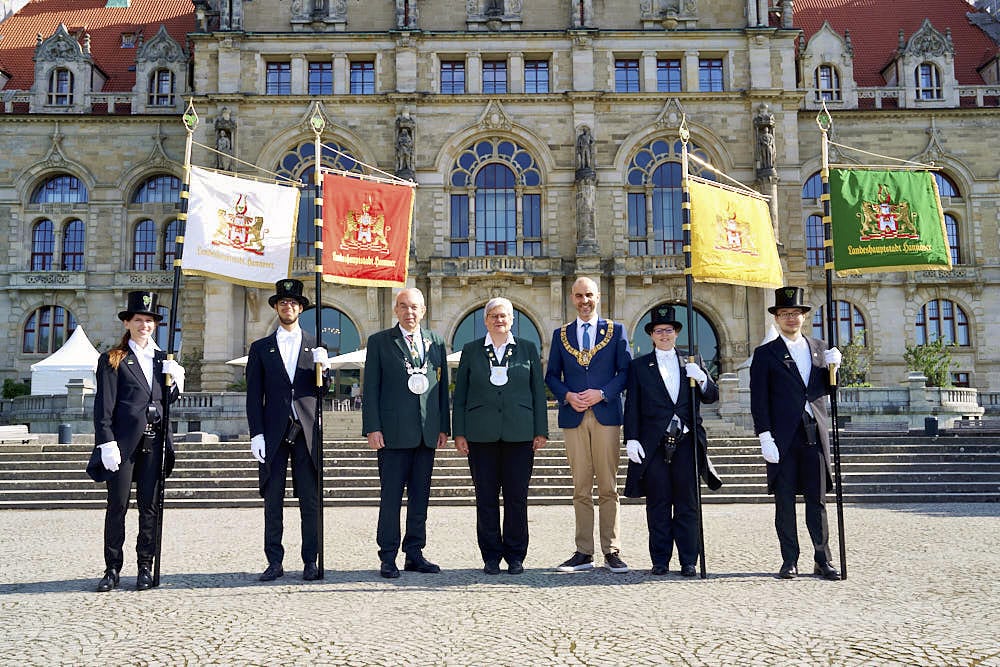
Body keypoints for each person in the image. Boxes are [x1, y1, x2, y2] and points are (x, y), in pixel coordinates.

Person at [89, 291, 184, 592]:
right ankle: (112, 568)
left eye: (150, 320)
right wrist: (106, 442)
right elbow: (103, 405)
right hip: (123, 444)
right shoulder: (113, 359)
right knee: (117, 506)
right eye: (139, 319)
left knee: (150, 507)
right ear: (128, 323)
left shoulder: (163, 360)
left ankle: (145, 565)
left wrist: (175, 384)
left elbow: (165, 404)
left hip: (155, 443)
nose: (145, 325)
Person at [750, 286, 843, 581]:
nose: (791, 318)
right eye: (784, 313)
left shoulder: (819, 347)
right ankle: (789, 559)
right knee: (785, 501)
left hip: (814, 432)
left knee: (817, 501)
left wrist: (834, 369)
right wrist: (764, 435)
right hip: (782, 437)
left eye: (795, 313)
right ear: (777, 318)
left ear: (804, 316)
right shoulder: (765, 354)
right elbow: (759, 399)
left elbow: (828, 391)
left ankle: (822, 559)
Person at [623, 305, 722, 577]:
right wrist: (630, 438)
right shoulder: (639, 366)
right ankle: (660, 559)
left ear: (676, 333)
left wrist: (701, 379)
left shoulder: (692, 361)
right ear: (651, 335)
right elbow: (632, 405)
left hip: (687, 443)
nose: (664, 334)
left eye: (669, 330)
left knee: (688, 503)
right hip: (654, 443)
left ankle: (689, 559)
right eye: (658, 331)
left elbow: (711, 396)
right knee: (658, 503)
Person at [452, 297, 548, 575]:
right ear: (485, 320)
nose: (499, 320)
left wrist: (540, 430)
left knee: (517, 497)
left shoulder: (528, 349)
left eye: (504, 315)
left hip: (520, 434)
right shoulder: (471, 351)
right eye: (493, 315)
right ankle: (491, 555)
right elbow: (460, 396)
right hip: (481, 435)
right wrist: (460, 432)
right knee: (486, 497)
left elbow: (537, 394)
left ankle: (516, 555)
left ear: (512, 320)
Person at [246, 279, 331, 582]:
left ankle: (310, 560)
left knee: (310, 500)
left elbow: (322, 393)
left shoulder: (314, 344)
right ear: (276, 307)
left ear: (301, 308)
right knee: (274, 500)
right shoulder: (261, 348)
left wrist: (326, 372)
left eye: (293, 303)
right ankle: (274, 561)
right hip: (273, 432)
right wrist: (256, 433)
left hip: (306, 431)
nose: (288, 307)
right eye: (283, 302)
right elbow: (254, 395)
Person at [545, 276, 632, 573]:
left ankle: (612, 549)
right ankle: (584, 551)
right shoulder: (561, 334)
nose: (585, 301)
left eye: (589, 296)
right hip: (574, 416)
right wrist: (567, 395)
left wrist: (603, 392)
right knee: (580, 487)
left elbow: (625, 372)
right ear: (572, 298)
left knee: (608, 486)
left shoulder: (615, 330)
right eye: (579, 296)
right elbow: (551, 376)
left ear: (598, 297)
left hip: (606, 414)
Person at [362, 287, 450, 578]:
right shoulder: (379, 342)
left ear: (423, 311)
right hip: (392, 434)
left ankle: (415, 553)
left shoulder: (436, 342)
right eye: (403, 306)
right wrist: (372, 428)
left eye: (414, 307)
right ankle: (388, 556)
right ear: (395, 310)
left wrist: (443, 427)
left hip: (426, 433)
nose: (409, 312)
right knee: (390, 498)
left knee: (420, 498)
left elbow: (441, 389)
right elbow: (370, 389)